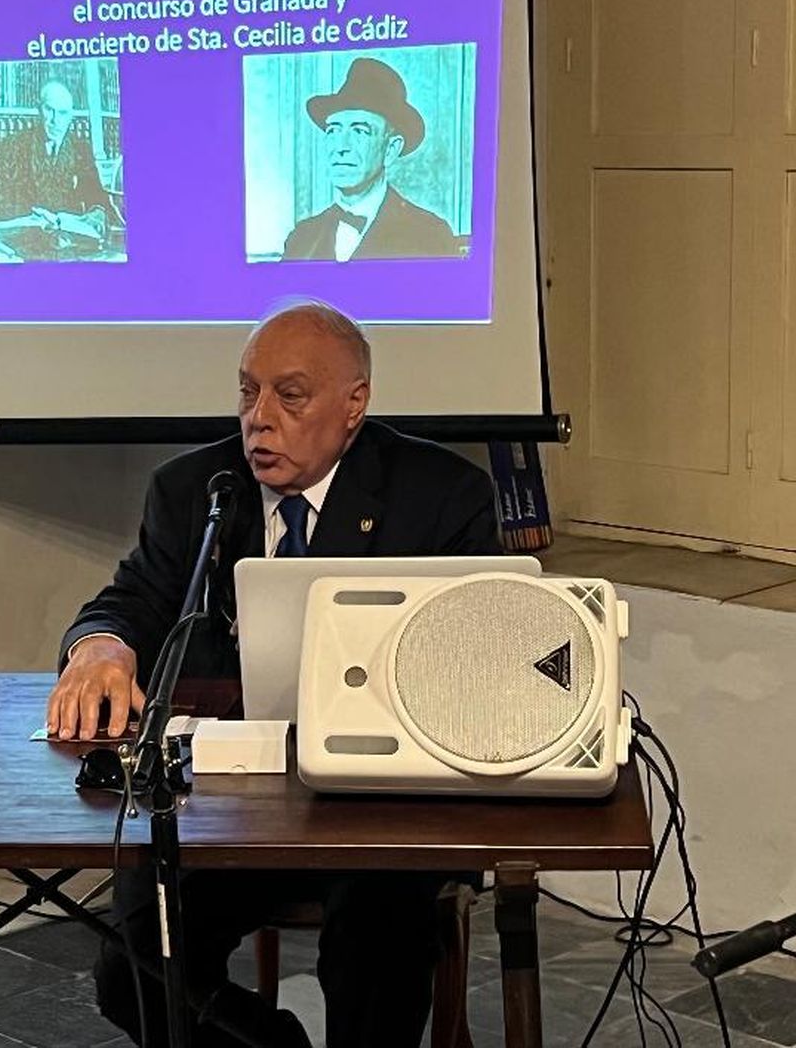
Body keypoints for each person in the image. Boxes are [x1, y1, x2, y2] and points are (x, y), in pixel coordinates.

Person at [47, 301, 501, 1047]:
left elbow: (481, 646)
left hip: (379, 805)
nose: (260, 418)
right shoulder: (194, 489)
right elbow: (131, 599)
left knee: (378, 944)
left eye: (290, 396)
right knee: (133, 957)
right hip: (231, 801)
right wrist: (100, 647)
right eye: (247, 392)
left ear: (353, 405)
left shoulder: (440, 494)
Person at [281, 59, 462, 263]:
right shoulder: (301, 238)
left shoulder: (430, 236)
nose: (341, 147)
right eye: (333, 130)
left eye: (360, 131)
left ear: (391, 149)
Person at [0, 79, 111, 260]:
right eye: (49, 110)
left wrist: (98, 212)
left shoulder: (81, 149)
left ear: (71, 115)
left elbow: (95, 193)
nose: (55, 121)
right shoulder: (14, 146)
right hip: (23, 247)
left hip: (69, 246)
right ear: (38, 110)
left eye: (62, 113)